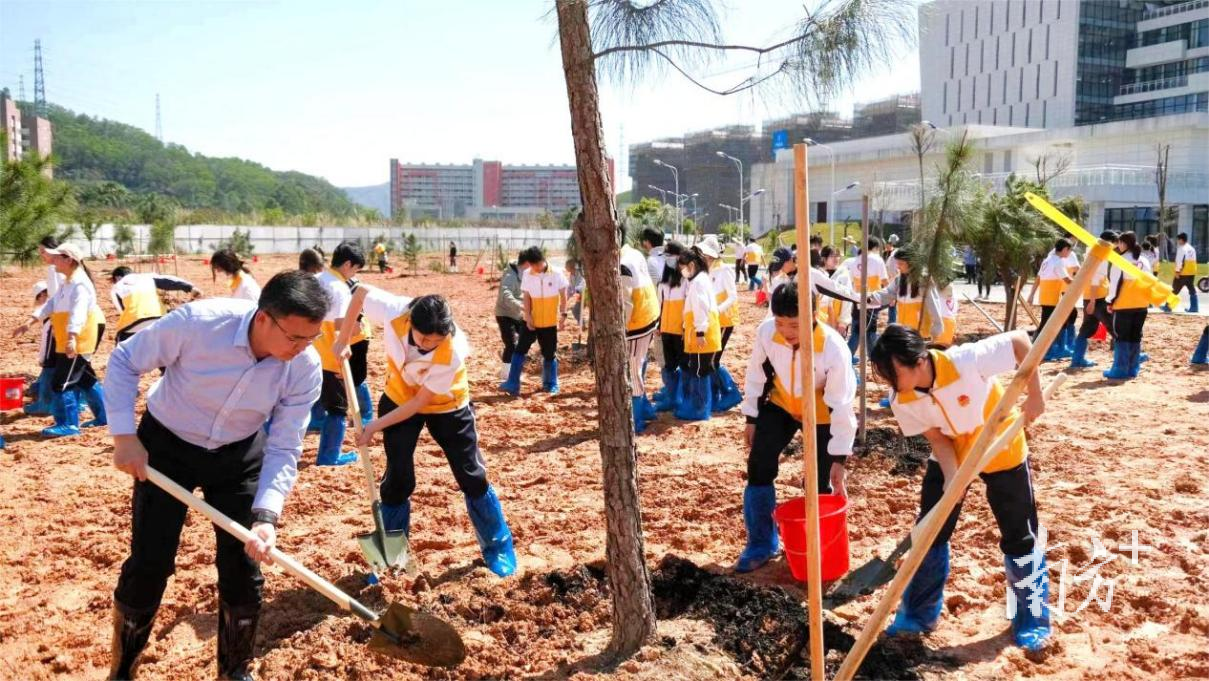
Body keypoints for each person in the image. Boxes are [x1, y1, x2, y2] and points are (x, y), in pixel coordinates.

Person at [104, 270, 329, 680]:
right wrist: (123, 436)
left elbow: (284, 444)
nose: (302, 349)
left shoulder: (304, 367)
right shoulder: (199, 324)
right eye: (295, 338)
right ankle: (122, 670)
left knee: (244, 566)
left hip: (239, 454)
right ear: (264, 318)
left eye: (310, 339)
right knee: (150, 562)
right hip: (166, 446)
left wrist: (266, 516)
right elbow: (124, 360)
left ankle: (234, 671)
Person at [870, 324, 1051, 653]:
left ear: (920, 361)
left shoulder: (965, 361)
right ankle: (917, 615)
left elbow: (1021, 342)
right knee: (931, 531)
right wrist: (953, 483)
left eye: (893, 372)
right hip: (952, 450)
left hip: (1000, 442)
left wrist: (1035, 395)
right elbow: (938, 441)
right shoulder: (902, 399)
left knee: (1019, 534)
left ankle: (1032, 619)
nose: (890, 384)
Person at [334, 288, 517, 578]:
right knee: (397, 479)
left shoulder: (454, 350)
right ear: (411, 323)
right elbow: (359, 292)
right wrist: (343, 340)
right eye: (422, 339)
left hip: (447, 405)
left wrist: (374, 427)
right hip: (398, 395)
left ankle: (498, 546)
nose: (429, 345)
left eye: (436, 340)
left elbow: (420, 403)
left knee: (471, 474)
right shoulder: (396, 310)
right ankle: (393, 560)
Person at [734, 281, 856, 572]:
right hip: (782, 403)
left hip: (820, 408)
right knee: (759, 464)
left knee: (819, 479)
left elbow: (842, 404)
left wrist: (840, 457)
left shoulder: (833, 347)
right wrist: (752, 417)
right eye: (780, 323)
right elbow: (756, 375)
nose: (786, 332)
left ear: (813, 315)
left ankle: (817, 543)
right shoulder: (766, 334)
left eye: (794, 325)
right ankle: (762, 542)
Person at [311, 241, 370, 467]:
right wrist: (361, 327)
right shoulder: (339, 288)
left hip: (310, 354)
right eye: (355, 269)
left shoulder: (316, 280)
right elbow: (341, 326)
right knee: (337, 409)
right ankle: (329, 456)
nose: (354, 274)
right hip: (330, 357)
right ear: (347, 264)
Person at [39, 243, 108, 437]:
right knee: (86, 379)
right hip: (72, 336)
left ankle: (68, 424)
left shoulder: (79, 283)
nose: (53, 260)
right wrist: (31, 320)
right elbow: (53, 304)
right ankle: (104, 416)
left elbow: (77, 313)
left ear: (69, 260)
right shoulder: (67, 281)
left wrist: (71, 339)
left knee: (62, 383)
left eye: (57, 257)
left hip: (79, 337)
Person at [500, 247, 567, 396]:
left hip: (549, 323)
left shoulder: (556, 273)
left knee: (549, 353)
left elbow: (563, 295)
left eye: (537, 265)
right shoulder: (527, 274)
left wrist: (563, 315)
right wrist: (528, 317)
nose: (535, 268)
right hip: (531, 321)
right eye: (532, 265)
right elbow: (527, 296)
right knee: (519, 350)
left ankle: (550, 384)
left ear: (543, 260)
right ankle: (512, 383)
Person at [676, 248, 722, 420]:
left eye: (683, 268)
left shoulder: (699, 282)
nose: (682, 271)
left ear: (692, 265)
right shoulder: (699, 280)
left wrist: (700, 332)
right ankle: (699, 408)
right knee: (699, 370)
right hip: (698, 333)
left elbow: (701, 308)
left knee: (699, 372)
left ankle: (699, 410)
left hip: (701, 335)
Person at [620, 243, 661, 432]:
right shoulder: (634, 252)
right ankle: (645, 408)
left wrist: (622, 330)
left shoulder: (622, 264)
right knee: (640, 363)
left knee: (633, 366)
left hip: (637, 323)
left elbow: (626, 303)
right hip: (650, 314)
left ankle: (635, 419)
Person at [698, 236, 742, 412]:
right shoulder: (705, 272)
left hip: (723, 320)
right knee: (710, 359)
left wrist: (717, 310)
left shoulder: (724, 270)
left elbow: (733, 296)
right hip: (711, 321)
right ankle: (717, 394)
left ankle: (731, 392)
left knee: (713, 360)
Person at [108, 267, 200, 344]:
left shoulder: (116, 287)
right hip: (159, 321)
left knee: (122, 350)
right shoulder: (147, 277)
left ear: (117, 277)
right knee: (164, 353)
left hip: (133, 324)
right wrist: (190, 287)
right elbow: (168, 280)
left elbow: (122, 311)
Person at [1103, 232, 1149, 380]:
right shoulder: (1144, 260)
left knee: (1121, 337)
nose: (1118, 245)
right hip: (1142, 304)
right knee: (1136, 336)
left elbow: (1115, 284)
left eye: (1120, 243)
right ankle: (1133, 368)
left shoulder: (1121, 260)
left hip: (1124, 304)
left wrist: (1110, 301)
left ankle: (1119, 369)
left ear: (1124, 244)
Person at [1070, 231, 1119, 369]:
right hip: (1098, 297)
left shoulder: (1090, 251)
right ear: (1109, 242)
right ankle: (1123, 359)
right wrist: (1092, 301)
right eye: (1114, 244)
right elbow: (1095, 280)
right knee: (1114, 328)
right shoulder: (1102, 255)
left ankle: (1077, 359)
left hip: (1090, 296)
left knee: (1087, 328)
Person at [1029, 239, 1079, 361]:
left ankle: (1048, 349)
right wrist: (1081, 281)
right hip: (1051, 297)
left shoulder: (1047, 260)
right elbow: (1067, 280)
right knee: (1046, 325)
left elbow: (1039, 278)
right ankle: (1036, 350)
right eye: (1069, 250)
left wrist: (1031, 294)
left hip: (1046, 296)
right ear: (1065, 249)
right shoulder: (1058, 262)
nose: (1069, 254)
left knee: (1049, 323)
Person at [653, 242, 687, 413]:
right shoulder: (663, 283)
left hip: (682, 330)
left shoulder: (686, 281)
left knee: (684, 364)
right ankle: (672, 397)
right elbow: (660, 305)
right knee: (669, 365)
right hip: (666, 329)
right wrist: (658, 325)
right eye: (665, 258)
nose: (667, 261)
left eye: (670, 257)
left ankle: (684, 397)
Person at [842, 237, 889, 359]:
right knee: (870, 331)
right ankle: (872, 358)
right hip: (872, 300)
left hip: (856, 300)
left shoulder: (854, 261)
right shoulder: (877, 260)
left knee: (857, 329)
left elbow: (851, 281)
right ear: (875, 247)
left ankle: (848, 356)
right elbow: (885, 281)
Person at [494, 249, 537, 381]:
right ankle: (506, 375)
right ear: (527, 262)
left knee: (528, 338)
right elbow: (505, 295)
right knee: (511, 344)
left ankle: (512, 364)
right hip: (505, 314)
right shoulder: (510, 276)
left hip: (518, 314)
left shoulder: (527, 273)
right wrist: (521, 305)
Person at [11, 282, 53, 415]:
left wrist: (42, 359)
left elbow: (47, 342)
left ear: (42, 295)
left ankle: (44, 406)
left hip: (55, 352)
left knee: (49, 372)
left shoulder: (52, 313)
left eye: (38, 298)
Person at [299, 248, 327, 433]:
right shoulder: (312, 284)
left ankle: (316, 418)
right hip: (310, 340)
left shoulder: (297, 280)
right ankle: (316, 417)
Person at [1169, 233, 1200, 314]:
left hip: (1182, 272)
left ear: (1181, 240)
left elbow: (1180, 261)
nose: (1177, 241)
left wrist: (1177, 271)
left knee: (1175, 289)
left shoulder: (1181, 249)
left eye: (1178, 240)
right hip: (1191, 272)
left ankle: (1168, 306)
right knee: (1191, 289)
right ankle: (1194, 307)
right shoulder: (1192, 248)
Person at [565, 258, 586, 332]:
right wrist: (567, 296)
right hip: (579, 295)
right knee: (576, 310)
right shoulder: (571, 275)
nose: (565, 267)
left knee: (576, 310)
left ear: (571, 266)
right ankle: (582, 324)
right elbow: (570, 287)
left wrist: (575, 291)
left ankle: (583, 324)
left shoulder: (580, 273)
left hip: (585, 294)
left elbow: (582, 284)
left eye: (566, 266)